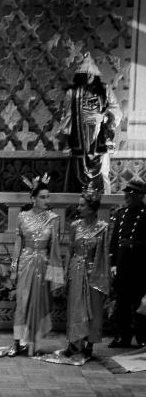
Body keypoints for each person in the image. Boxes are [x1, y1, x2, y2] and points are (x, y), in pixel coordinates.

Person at [7, 174, 65, 356]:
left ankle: (34, 344)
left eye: (48, 197)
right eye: (42, 197)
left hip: (44, 264)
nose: (46, 200)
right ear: (33, 198)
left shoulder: (53, 219)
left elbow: (55, 248)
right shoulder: (22, 217)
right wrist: (14, 268)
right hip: (25, 262)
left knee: (38, 303)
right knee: (22, 303)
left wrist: (55, 275)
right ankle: (17, 342)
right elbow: (18, 243)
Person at [57, 53, 122, 193]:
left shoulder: (105, 90)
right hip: (79, 139)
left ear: (95, 75)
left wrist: (104, 118)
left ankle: (104, 208)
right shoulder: (72, 93)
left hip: (100, 138)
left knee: (103, 173)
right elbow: (66, 115)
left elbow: (116, 111)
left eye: (90, 74)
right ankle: (75, 210)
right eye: (84, 75)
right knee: (76, 174)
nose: (87, 77)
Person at [62, 187, 109, 358]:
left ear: (92, 208)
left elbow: (104, 255)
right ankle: (73, 343)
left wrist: (102, 276)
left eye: (82, 205)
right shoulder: (75, 226)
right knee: (75, 307)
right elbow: (69, 250)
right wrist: (67, 271)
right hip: (76, 269)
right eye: (79, 205)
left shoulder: (103, 227)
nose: (79, 208)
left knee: (93, 309)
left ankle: (89, 344)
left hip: (94, 273)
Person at [108, 179, 146, 349]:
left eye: (131, 194)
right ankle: (122, 336)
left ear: (140, 196)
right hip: (122, 263)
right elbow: (114, 240)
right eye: (126, 193)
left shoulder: (145, 213)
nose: (127, 197)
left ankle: (142, 336)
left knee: (139, 303)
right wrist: (113, 263)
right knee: (121, 302)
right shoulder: (121, 214)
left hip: (139, 264)